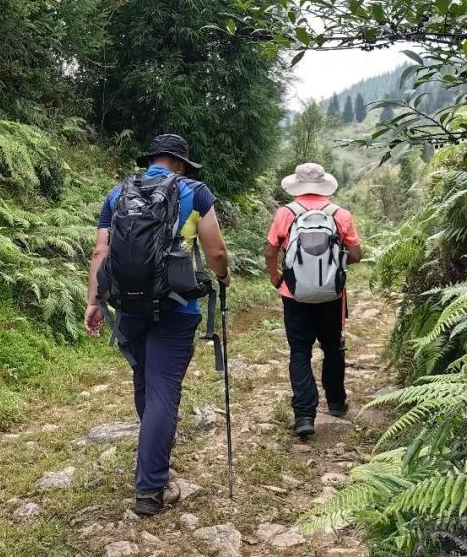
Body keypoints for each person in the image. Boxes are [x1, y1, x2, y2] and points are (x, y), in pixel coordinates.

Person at [85, 134, 231, 516]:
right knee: (164, 393)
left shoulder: (118, 194)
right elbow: (214, 249)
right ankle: (150, 488)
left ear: (151, 160)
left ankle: (154, 464)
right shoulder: (195, 193)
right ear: (180, 164)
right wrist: (224, 276)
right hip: (177, 308)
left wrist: (93, 301)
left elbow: (101, 250)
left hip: (129, 308)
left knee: (146, 384)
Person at [264, 163, 362, 438]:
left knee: (299, 350)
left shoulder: (286, 213)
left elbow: (270, 250)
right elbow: (356, 255)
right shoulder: (340, 214)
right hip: (332, 295)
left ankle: (304, 415)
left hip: (294, 294)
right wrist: (333, 267)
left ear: (297, 186)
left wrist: (276, 277)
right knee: (333, 347)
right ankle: (337, 403)